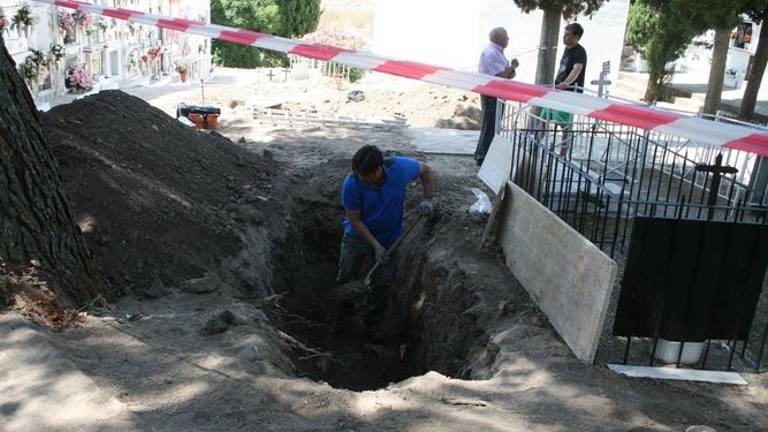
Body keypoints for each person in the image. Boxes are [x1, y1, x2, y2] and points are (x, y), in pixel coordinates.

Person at [337, 145, 435, 340]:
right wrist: (375, 246)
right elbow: (355, 220)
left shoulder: (399, 168)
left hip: (390, 237)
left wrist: (427, 199)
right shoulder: (352, 183)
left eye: (365, 176)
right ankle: (344, 317)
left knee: (383, 283)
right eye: (358, 175)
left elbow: (426, 170)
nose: (361, 179)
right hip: (357, 235)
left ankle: (373, 323)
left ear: (378, 170)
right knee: (347, 274)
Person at [474, 27, 519, 167]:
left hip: (498, 92)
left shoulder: (498, 52)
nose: (508, 39)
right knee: (490, 123)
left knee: (494, 123)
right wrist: (513, 67)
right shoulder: (491, 53)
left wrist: (510, 70)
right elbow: (501, 75)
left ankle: (484, 154)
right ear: (500, 38)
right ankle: (483, 156)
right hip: (491, 93)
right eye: (506, 37)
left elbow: (509, 74)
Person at [547, 22, 587, 156]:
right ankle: (534, 143)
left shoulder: (579, 52)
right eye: (564, 34)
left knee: (564, 124)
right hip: (557, 91)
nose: (564, 37)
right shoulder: (567, 49)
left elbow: (577, 69)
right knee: (544, 116)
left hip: (568, 93)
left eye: (567, 35)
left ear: (576, 36)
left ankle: (563, 153)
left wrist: (566, 83)